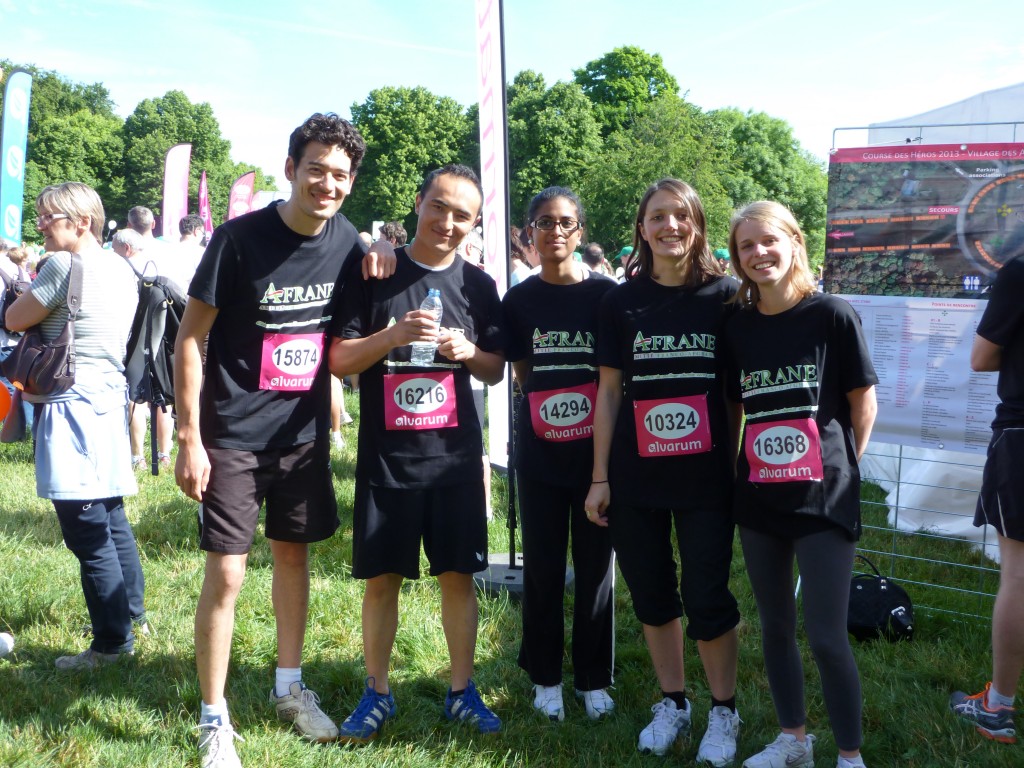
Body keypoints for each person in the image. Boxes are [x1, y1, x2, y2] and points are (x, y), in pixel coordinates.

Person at [173, 113, 395, 768]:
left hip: (301, 436)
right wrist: (189, 437)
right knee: (228, 571)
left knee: (294, 558)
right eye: (316, 169)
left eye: (340, 175)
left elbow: (370, 289)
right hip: (233, 436)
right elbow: (190, 338)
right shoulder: (237, 240)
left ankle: (289, 688)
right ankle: (214, 717)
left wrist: (382, 248)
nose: (327, 184)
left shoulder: (347, 239)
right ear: (292, 168)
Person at [328, 163, 505, 742]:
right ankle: (376, 691)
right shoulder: (375, 270)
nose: (447, 222)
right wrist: (391, 336)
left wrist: (468, 351)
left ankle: (462, 690)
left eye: (462, 215)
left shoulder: (479, 285)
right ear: (418, 203)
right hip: (388, 461)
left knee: (458, 576)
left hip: (454, 461)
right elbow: (339, 360)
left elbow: (496, 370)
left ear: (474, 224)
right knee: (383, 580)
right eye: (439, 207)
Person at [584, 178, 742, 764]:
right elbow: (607, 394)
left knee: (707, 596)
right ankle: (673, 702)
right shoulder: (618, 303)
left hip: (705, 479)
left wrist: (731, 468)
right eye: (658, 217)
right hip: (635, 478)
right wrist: (600, 478)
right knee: (652, 592)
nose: (670, 226)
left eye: (681, 215)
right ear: (642, 228)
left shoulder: (727, 297)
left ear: (697, 224)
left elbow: (734, 396)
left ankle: (724, 711)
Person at [722, 201, 877, 768]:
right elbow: (734, 407)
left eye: (769, 241)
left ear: (794, 243)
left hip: (823, 498)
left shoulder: (832, 314)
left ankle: (849, 756)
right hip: (759, 498)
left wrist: (843, 470)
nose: (759, 253)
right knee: (775, 626)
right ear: (737, 258)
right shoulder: (737, 326)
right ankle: (794, 741)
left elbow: (863, 404)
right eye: (746, 246)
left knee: (827, 636)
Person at [5, 182, 147, 670]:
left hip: (71, 404)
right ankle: (132, 615)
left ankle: (111, 644)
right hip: (108, 396)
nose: (41, 224)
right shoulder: (121, 266)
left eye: (50, 216)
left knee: (86, 529)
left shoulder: (63, 265)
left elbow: (15, 318)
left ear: (82, 221)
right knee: (111, 514)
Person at [503, 187, 617, 722]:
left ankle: (593, 680)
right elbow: (523, 372)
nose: (555, 231)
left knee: (596, 570)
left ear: (580, 231)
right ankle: (545, 678)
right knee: (543, 569)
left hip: (598, 457)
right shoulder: (519, 300)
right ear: (530, 232)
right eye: (543, 222)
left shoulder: (606, 296)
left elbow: (614, 381)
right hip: (541, 457)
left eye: (565, 222)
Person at [949, 251, 1024, 745]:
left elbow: (981, 357)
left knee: (1018, 574)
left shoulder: (1019, 272)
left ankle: (998, 706)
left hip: (1021, 434)